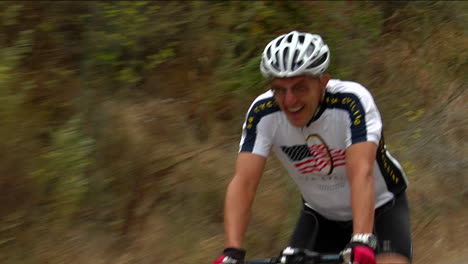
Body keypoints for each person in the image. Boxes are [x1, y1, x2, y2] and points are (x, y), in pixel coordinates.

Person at [213, 31, 413, 264]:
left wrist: (361, 238)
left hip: (381, 208)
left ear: (323, 82)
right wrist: (232, 250)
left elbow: (361, 173)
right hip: (320, 215)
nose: (289, 101)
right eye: (279, 89)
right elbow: (244, 182)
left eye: (300, 88)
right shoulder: (262, 113)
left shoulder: (351, 102)